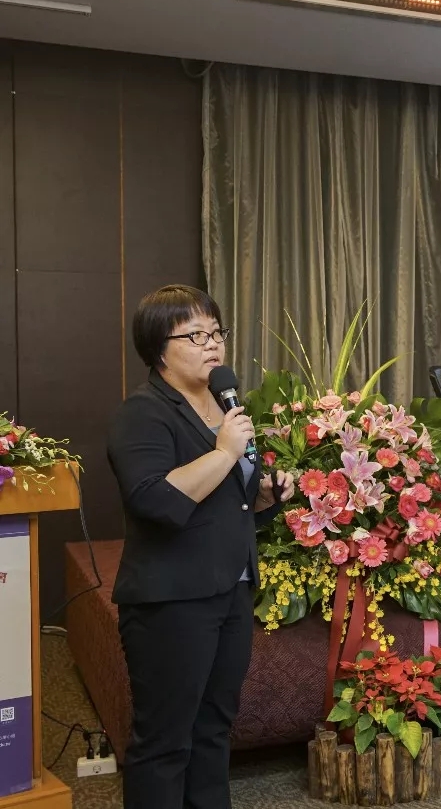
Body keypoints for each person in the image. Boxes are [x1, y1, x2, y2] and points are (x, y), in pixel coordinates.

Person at [107, 285, 294, 809]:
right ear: (158, 348)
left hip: (231, 588)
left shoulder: (225, 405)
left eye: (216, 332)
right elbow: (156, 500)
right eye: (195, 335)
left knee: (213, 728)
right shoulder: (143, 413)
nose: (212, 344)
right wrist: (225, 453)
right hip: (171, 599)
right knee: (166, 740)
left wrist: (263, 495)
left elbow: (226, 501)